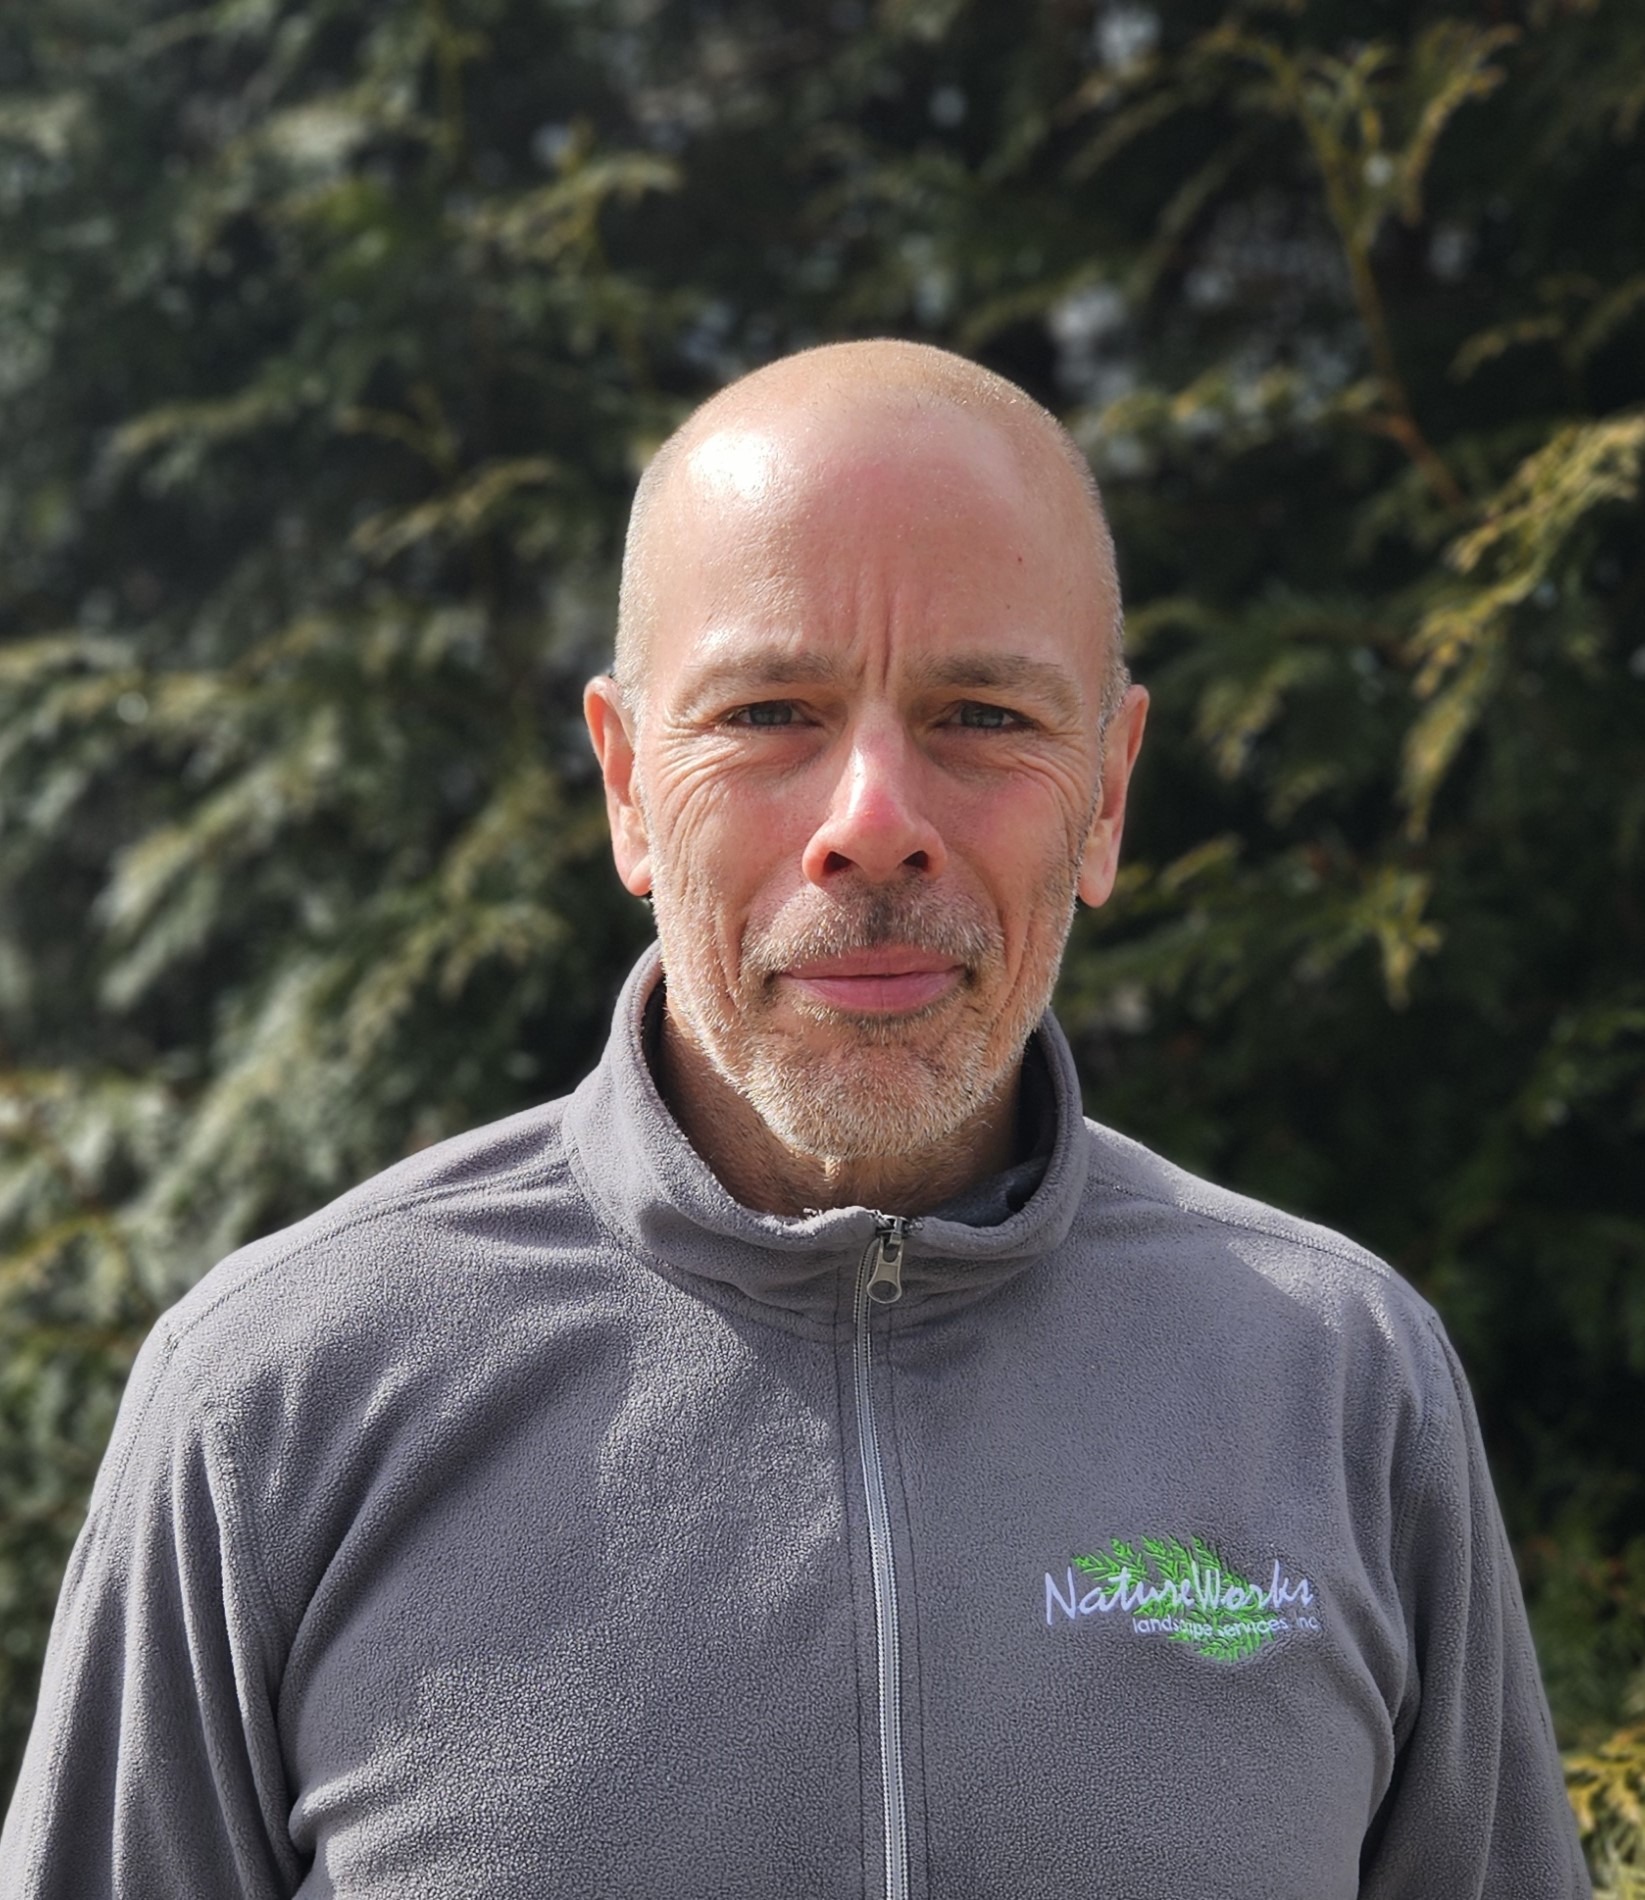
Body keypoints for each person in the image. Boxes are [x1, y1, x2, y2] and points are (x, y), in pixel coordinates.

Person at [1, 341, 1589, 1899]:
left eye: (980, 714)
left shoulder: (1337, 1385)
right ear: (626, 784)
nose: (873, 825)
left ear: (1106, 793)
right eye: (768, 712)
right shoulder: (277, 1403)